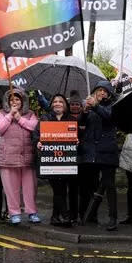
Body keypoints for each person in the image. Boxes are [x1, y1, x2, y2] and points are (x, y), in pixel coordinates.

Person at [79, 81, 119, 231]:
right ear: (94, 92)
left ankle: (113, 217)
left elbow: (109, 116)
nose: (102, 93)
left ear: (109, 94)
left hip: (107, 152)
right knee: (92, 184)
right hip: (92, 152)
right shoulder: (90, 106)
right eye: (99, 90)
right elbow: (82, 125)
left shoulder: (112, 105)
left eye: (105, 91)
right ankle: (91, 215)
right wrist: (85, 111)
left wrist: (96, 106)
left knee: (109, 186)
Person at [33, 93, 79, 227]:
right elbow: (36, 135)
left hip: (66, 161)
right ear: (51, 104)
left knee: (61, 190)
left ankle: (54, 217)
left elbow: (76, 137)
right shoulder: (45, 118)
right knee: (58, 188)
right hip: (50, 161)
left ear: (65, 105)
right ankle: (65, 215)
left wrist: (76, 141)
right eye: (55, 101)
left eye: (60, 101)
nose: (57, 103)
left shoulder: (71, 119)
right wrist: (37, 143)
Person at [0, 87, 40, 225]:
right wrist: (10, 115)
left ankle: (32, 212)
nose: (15, 101)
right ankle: (14, 213)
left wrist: (19, 118)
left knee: (30, 187)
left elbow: (34, 127)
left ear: (22, 100)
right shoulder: (2, 113)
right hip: (7, 157)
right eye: (12, 99)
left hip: (27, 156)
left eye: (17, 99)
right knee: (10, 187)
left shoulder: (30, 114)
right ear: (8, 102)